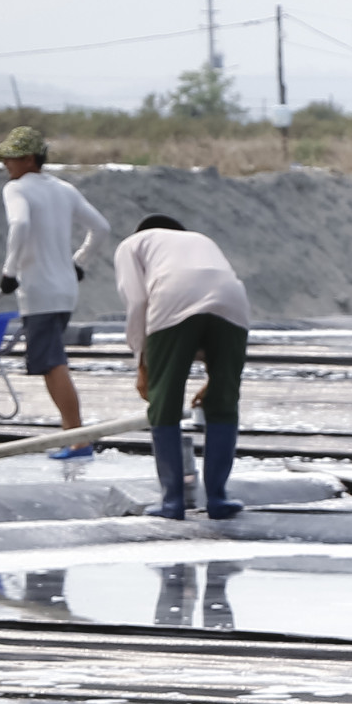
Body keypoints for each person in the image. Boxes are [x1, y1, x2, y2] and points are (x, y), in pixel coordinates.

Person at [113, 213, 251, 519]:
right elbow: (209, 303)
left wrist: (142, 363)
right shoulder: (201, 241)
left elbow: (137, 302)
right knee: (224, 399)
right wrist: (214, 378)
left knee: (165, 400)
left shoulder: (132, 244)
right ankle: (218, 498)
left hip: (173, 296)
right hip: (233, 301)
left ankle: (172, 501)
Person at [0, 126, 111, 458]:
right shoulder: (64, 189)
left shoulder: (16, 189)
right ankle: (74, 435)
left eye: (10, 158)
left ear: (29, 159)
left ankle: (78, 438)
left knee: (52, 363)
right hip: (65, 289)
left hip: (38, 290)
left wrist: (9, 272)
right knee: (52, 361)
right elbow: (101, 228)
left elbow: (20, 225)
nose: (5, 165)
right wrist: (79, 262)